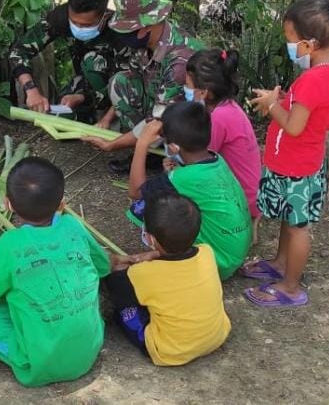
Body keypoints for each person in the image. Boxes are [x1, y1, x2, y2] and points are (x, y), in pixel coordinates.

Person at [0, 158, 126, 387]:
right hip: (88, 351)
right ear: (61, 204)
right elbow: (103, 267)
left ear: (7, 204)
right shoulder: (73, 226)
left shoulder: (10, 244)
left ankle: (22, 357)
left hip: (39, 366)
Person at [241, 0, 329, 308]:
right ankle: (279, 263)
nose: (289, 46)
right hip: (299, 162)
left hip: (298, 165)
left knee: (298, 226)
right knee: (291, 218)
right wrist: (283, 98)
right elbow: (307, 112)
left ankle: (290, 286)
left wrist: (272, 104)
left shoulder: (314, 80)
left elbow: (295, 126)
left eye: (291, 39)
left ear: (310, 43)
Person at [80, 0, 201, 173]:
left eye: (128, 30)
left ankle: (160, 154)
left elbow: (158, 121)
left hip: (184, 124)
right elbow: (134, 75)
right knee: (120, 82)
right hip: (158, 106)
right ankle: (146, 152)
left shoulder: (179, 60)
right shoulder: (147, 43)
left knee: (159, 126)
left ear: (147, 27)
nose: (124, 36)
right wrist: (106, 119)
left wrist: (112, 144)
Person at [103, 192, 231, 366]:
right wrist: (154, 254)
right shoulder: (206, 252)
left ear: (152, 239)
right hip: (217, 335)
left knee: (124, 310)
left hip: (170, 350)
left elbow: (114, 285)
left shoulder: (143, 274)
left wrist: (113, 263)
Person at [126, 101, 251, 279]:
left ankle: (175, 258)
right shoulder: (216, 160)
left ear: (174, 147)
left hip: (217, 263)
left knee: (148, 205)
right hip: (234, 253)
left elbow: (135, 191)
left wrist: (142, 144)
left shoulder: (183, 178)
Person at [7, 0, 135, 123]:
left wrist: (105, 119)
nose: (79, 28)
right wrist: (31, 90)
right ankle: (90, 116)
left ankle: (113, 120)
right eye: (74, 22)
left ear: (104, 16)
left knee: (93, 61)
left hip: (117, 90)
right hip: (86, 87)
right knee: (59, 117)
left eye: (87, 25)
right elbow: (18, 51)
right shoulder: (60, 17)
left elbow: (129, 82)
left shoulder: (120, 32)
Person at [185, 49, 263, 240]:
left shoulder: (219, 118)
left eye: (187, 84)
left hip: (241, 199)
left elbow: (199, 162)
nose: (184, 88)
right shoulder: (229, 107)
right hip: (252, 195)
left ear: (204, 92)